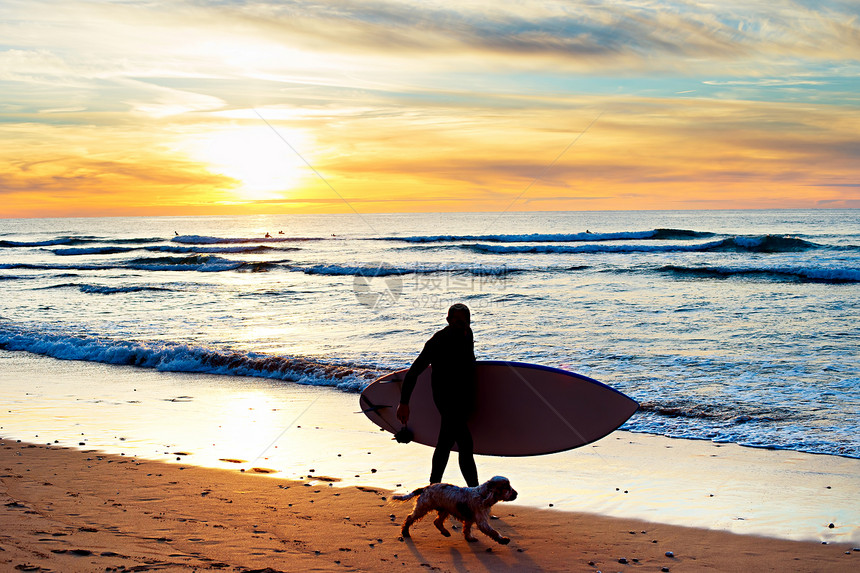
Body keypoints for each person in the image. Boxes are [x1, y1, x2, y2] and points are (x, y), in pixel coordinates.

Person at [397, 303, 479, 487]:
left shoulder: (467, 333)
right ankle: (476, 494)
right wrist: (404, 403)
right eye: (458, 322)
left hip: (464, 397)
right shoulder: (437, 342)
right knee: (465, 444)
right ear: (448, 321)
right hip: (446, 398)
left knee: (445, 442)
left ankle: (433, 487)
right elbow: (413, 372)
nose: (463, 325)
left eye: (466, 322)